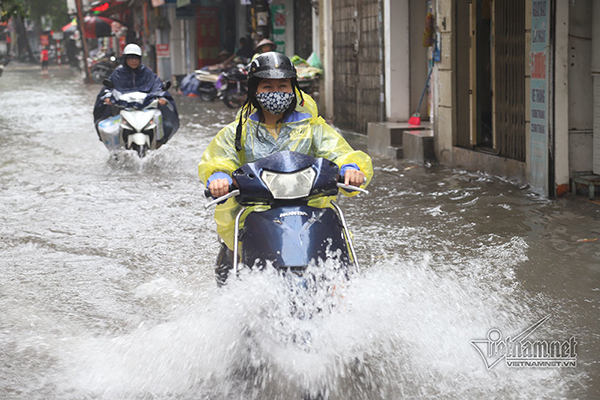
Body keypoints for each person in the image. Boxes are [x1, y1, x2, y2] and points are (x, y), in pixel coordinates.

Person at [198, 52, 373, 283]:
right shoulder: (237, 131)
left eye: (283, 86)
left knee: (340, 265)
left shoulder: (312, 127)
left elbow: (339, 152)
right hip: (256, 210)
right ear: (254, 91)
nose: (276, 92)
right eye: (267, 86)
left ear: (293, 89)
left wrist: (351, 168)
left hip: (310, 207)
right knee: (234, 261)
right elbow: (219, 159)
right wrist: (219, 178)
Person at [93, 43, 179, 147]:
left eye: (136, 58)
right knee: (105, 127)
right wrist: (108, 97)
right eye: (130, 58)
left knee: (168, 126)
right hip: (122, 108)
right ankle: (116, 150)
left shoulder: (147, 72)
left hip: (146, 108)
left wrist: (161, 96)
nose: (134, 61)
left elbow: (158, 85)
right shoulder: (118, 73)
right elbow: (109, 88)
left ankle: (156, 145)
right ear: (125, 59)